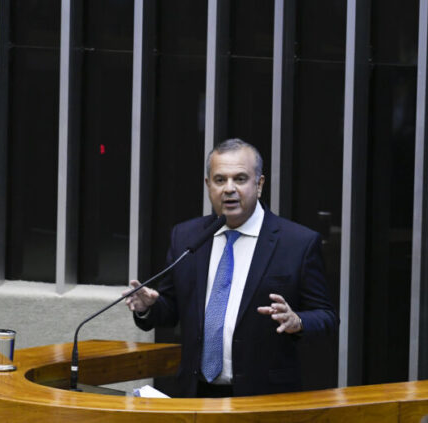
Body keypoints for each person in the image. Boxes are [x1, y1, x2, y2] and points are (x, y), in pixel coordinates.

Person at [125, 138, 338, 397]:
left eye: (240, 179)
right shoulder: (186, 236)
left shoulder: (297, 243)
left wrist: (298, 320)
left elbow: (327, 317)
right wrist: (149, 308)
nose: (229, 189)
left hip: (262, 398)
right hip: (196, 393)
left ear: (259, 185)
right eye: (219, 180)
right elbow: (170, 311)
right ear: (208, 185)